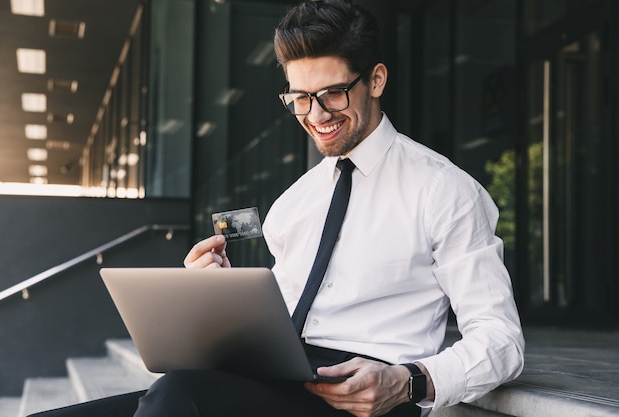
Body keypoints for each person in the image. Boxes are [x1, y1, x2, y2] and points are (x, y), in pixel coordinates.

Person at [32, 1, 524, 416]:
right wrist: (217, 300)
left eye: (333, 93)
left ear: (375, 80)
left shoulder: (445, 191)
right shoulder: (295, 201)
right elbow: (282, 318)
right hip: (272, 383)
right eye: (300, 98)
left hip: (359, 397)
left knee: (181, 395)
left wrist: (410, 382)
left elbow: (501, 339)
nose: (316, 115)